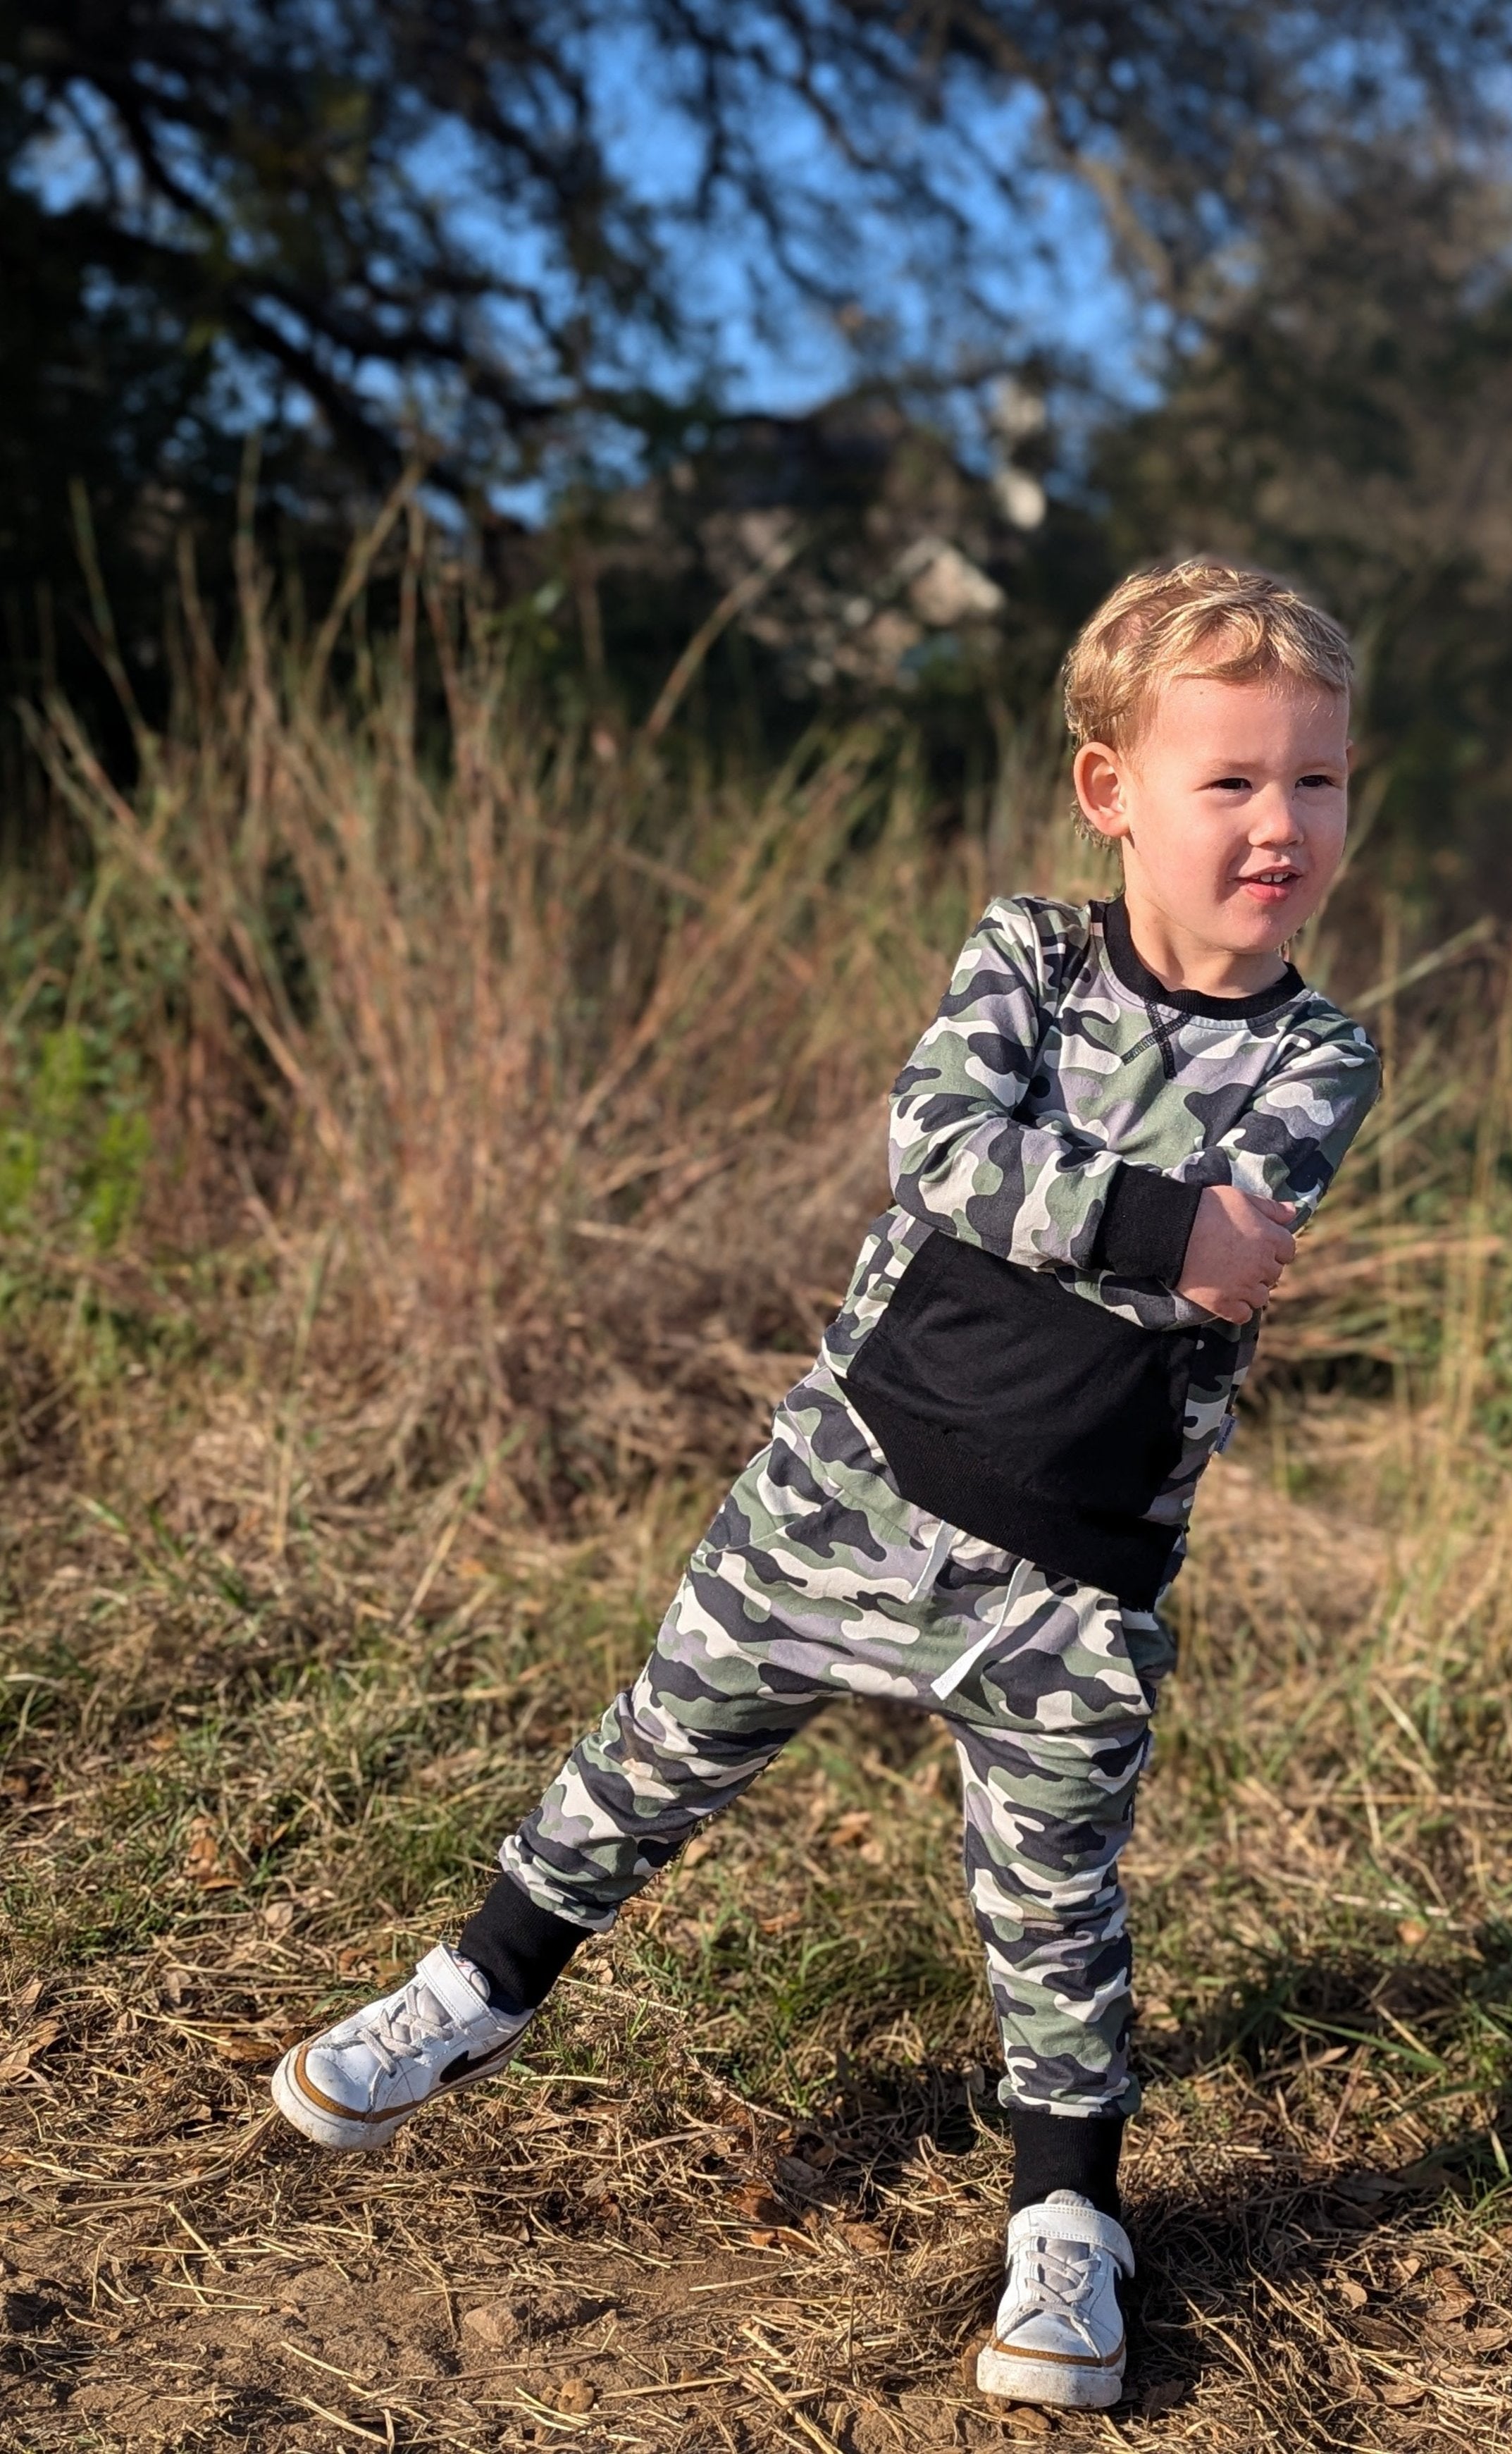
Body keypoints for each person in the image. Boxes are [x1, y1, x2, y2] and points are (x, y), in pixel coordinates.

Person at [269, 562, 1381, 2411]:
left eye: (1320, 783)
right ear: (1112, 792)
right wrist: (1146, 1218)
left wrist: (1094, 1213)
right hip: (850, 1477)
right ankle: (476, 1987)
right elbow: (942, 1145)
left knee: (1054, 1902)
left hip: (1078, 1564)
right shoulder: (1025, 950)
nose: (1282, 826)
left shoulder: (1320, 1050)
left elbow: (1222, 1237)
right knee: (656, 1747)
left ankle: (1069, 2222)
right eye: (1233, 781)